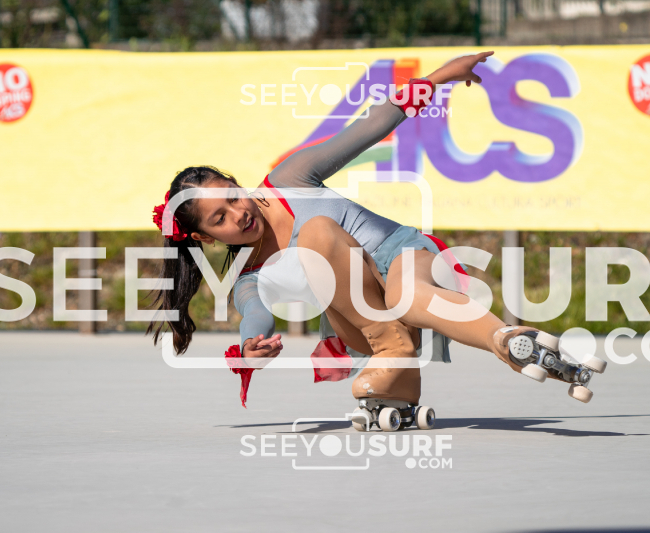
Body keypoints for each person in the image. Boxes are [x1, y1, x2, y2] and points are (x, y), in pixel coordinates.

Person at [147, 52, 563, 412]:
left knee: (386, 281)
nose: (238, 214)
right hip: (365, 326)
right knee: (319, 241)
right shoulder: (248, 278)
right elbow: (256, 315)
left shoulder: (289, 180)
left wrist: (439, 77)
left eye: (234, 196)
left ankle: (505, 340)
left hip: (404, 261)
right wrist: (250, 344)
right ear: (204, 238)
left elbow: (366, 129)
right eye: (219, 219)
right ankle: (397, 369)